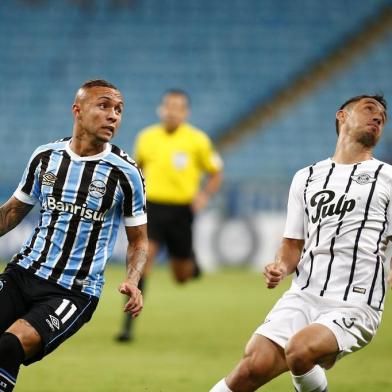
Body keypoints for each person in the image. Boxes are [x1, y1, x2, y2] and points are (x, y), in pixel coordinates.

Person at [210, 94, 390, 392]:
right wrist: (280, 266)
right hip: (304, 295)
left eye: (383, 117)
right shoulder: (306, 178)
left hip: (355, 302)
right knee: (252, 366)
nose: (378, 117)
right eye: (369, 109)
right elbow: (293, 243)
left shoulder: (387, 178)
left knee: (299, 349)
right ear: (341, 116)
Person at [0, 79, 148, 391]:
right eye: (104, 106)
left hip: (71, 292)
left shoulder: (126, 173)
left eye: (119, 110)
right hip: (22, 273)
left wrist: (133, 280)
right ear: (77, 111)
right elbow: (12, 212)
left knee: (10, 346)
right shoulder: (45, 157)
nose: (113, 115)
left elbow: (138, 240)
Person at [116, 89, 223, 341]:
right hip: (152, 207)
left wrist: (203, 196)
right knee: (144, 261)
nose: (172, 111)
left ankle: (192, 265)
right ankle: (127, 328)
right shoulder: (146, 137)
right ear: (161, 109)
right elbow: (137, 169)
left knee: (181, 277)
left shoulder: (198, 140)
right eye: (169, 106)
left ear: (185, 112)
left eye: (178, 107)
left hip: (181, 211)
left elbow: (216, 172)